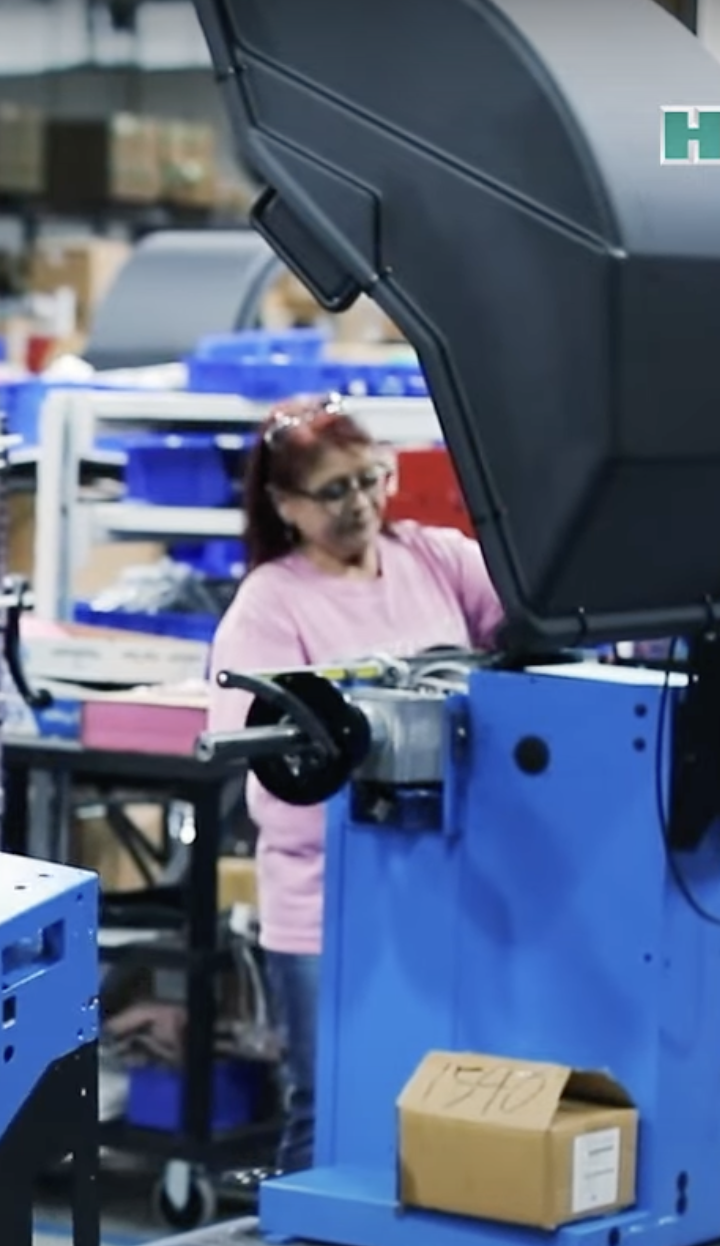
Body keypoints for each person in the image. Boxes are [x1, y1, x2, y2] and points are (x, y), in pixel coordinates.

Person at [205, 394, 502, 1171]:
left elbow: (526, 630)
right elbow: (266, 758)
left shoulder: (433, 558)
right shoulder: (271, 606)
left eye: (371, 479)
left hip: (444, 886)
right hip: (327, 901)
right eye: (333, 491)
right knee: (330, 1106)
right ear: (283, 505)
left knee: (443, 1094)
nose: (362, 504)